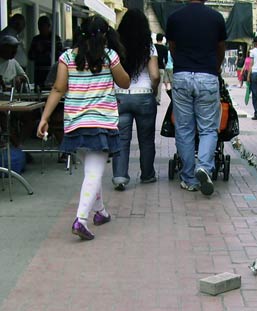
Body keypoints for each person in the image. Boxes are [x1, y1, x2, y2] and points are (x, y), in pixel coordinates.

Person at [36, 15, 130, 240]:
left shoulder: (67, 57)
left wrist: (44, 118)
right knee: (94, 173)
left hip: (75, 124)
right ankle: (81, 219)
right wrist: (114, 60)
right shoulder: (110, 57)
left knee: (91, 172)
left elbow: (58, 89)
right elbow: (125, 82)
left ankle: (101, 213)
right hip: (100, 123)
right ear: (105, 35)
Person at [166, 0, 227, 195]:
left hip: (182, 75)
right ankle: (204, 167)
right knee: (208, 128)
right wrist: (214, 68)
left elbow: (172, 47)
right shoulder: (216, 17)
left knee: (184, 129)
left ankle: (189, 178)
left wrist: (182, 65)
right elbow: (221, 48)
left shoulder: (174, 17)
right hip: (207, 76)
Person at [111, 9, 160, 191]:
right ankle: (147, 175)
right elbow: (154, 75)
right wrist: (153, 92)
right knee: (146, 139)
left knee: (121, 138)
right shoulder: (149, 46)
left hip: (120, 96)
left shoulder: (116, 47)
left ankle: (120, 176)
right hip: (144, 95)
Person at [28, 15, 63, 90]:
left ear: (49, 26)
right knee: (39, 92)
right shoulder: (36, 39)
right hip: (39, 73)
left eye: (42, 26)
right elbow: (30, 56)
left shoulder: (55, 39)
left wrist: (45, 49)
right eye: (39, 26)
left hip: (51, 71)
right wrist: (37, 51)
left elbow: (60, 55)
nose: (40, 29)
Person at [154, 33, 168, 105]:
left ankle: (152, 98)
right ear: (162, 39)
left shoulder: (153, 47)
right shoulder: (164, 48)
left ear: (156, 38)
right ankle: (157, 99)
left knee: (152, 84)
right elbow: (166, 60)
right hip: (161, 68)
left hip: (154, 67)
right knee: (159, 85)